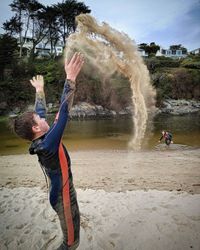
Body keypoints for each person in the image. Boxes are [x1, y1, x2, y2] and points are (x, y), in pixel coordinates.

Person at [13, 52, 84, 250]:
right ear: (36, 128)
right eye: (39, 120)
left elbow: (41, 112)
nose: (44, 118)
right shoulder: (49, 144)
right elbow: (63, 113)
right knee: (71, 244)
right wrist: (70, 79)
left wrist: (40, 90)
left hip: (60, 193)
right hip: (64, 198)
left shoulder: (41, 139)